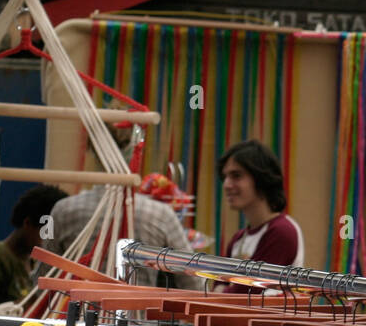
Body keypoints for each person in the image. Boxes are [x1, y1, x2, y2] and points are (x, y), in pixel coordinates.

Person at [45, 121, 199, 289]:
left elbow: (44, 277)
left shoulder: (63, 210)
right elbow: (193, 283)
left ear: (93, 149)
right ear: (136, 151)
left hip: (75, 313)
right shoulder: (161, 215)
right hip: (137, 313)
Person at [219, 140, 304, 271]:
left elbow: (248, 289)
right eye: (225, 177)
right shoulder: (238, 238)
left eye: (236, 176)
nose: (226, 185)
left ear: (261, 178)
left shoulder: (282, 231)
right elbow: (217, 287)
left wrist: (226, 288)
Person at [0, 185, 66, 304]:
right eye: (46, 233)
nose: (49, 241)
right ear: (28, 223)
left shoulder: (32, 263)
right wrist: (39, 297)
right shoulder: (1, 258)